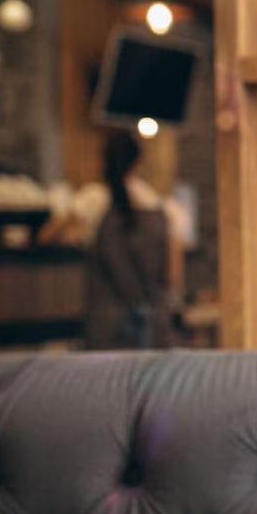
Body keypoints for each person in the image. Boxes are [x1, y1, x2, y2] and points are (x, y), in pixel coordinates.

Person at [83, 130, 176, 349]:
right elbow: (171, 271)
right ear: (139, 162)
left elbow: (47, 235)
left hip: (108, 329)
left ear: (102, 161)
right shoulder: (157, 202)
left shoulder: (92, 201)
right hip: (152, 326)